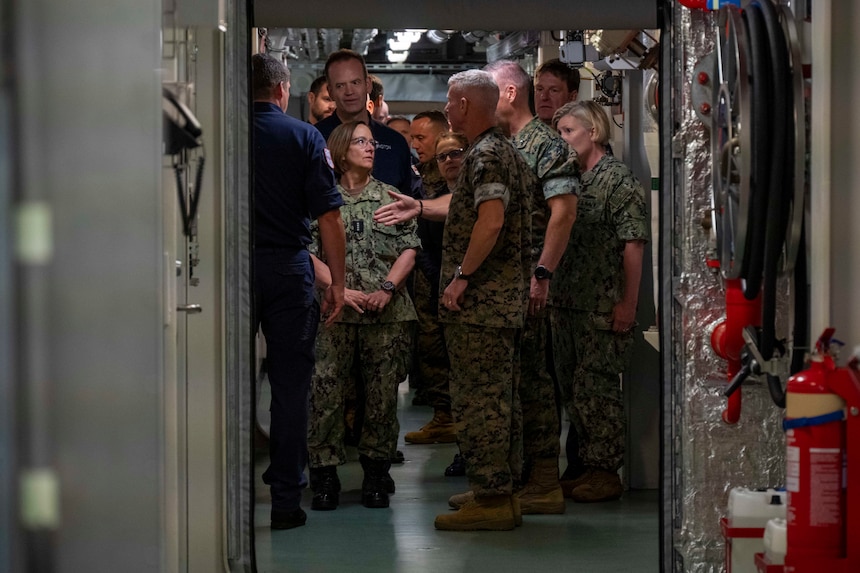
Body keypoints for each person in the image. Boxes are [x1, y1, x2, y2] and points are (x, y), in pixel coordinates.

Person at [433, 69, 536, 532]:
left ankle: (493, 497)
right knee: (502, 399)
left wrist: (460, 277)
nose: (447, 109)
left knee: (481, 402)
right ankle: (499, 490)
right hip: (499, 305)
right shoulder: (501, 151)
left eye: (451, 102)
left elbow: (490, 221)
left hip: (483, 306)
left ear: (466, 106)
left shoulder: (487, 155)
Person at [479, 59, 579, 515]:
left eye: (489, 91)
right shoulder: (502, 143)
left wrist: (543, 275)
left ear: (509, 94)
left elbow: (564, 213)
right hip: (504, 285)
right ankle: (518, 477)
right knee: (514, 383)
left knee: (537, 382)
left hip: (531, 282)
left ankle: (543, 478)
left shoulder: (545, 145)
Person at [251, 53, 346, 530]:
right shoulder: (305, 136)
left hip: (232, 268)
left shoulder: (224, 134)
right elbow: (329, 216)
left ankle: (216, 491)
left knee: (220, 383)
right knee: (290, 387)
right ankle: (286, 501)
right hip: (290, 268)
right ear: (283, 90)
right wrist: (339, 282)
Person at [307, 121, 420, 511]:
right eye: (361, 142)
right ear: (340, 151)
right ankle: (324, 475)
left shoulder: (392, 198)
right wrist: (338, 289)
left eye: (372, 143)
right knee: (326, 394)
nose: (370, 148)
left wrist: (387, 289)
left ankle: (376, 473)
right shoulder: (322, 200)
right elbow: (308, 253)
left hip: (384, 314)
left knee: (381, 397)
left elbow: (410, 248)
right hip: (335, 311)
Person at [551, 100, 648, 502]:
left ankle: (606, 471)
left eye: (568, 132)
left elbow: (633, 246)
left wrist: (628, 304)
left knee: (598, 392)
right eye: (559, 133)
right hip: (567, 302)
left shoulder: (617, 180)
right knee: (575, 393)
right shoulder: (568, 179)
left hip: (601, 306)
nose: (562, 140)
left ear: (593, 132)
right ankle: (587, 467)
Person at [402, 110, 457, 437]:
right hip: (427, 278)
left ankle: (457, 418)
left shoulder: (452, 181)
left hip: (453, 277)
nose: (414, 144)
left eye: (420, 137)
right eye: (412, 138)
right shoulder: (419, 179)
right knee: (431, 350)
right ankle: (443, 415)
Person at [315, 50, 415, 198]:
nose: (349, 92)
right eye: (340, 86)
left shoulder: (394, 141)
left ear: (368, 85)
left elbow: (408, 198)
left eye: (355, 82)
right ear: (330, 91)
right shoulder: (314, 139)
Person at [534, 58, 580, 126]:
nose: (544, 97)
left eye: (554, 90)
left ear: (572, 97)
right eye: (540, 89)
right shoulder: (522, 133)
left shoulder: (583, 133)